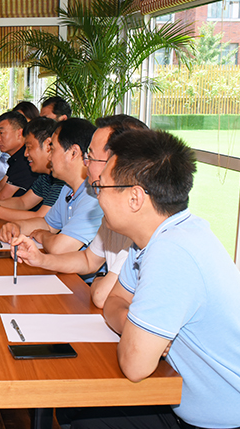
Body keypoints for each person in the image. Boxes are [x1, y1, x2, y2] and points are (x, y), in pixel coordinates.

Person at [69, 129, 240, 429]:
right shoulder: (154, 239)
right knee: (87, 420)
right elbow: (113, 302)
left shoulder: (172, 251)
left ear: (135, 197)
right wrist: (136, 328)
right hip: (192, 407)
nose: (97, 196)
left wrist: (140, 337)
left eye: (101, 187)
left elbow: (134, 365)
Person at [8, 115, 147, 308]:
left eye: (91, 156)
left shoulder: (142, 226)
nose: (86, 162)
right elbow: (88, 260)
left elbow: (100, 295)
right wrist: (40, 259)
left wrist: (99, 278)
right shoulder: (111, 211)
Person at [0, 118, 101, 254]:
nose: (49, 158)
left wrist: (43, 235)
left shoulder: (93, 195)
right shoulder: (67, 189)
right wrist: (16, 226)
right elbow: (48, 224)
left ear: (74, 153)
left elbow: (59, 248)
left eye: (52, 150)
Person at [0, 117, 65, 222]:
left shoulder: (61, 180)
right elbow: (23, 202)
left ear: (48, 145)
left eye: (29, 147)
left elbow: (42, 218)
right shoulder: (45, 177)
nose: (26, 154)